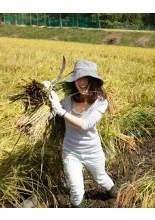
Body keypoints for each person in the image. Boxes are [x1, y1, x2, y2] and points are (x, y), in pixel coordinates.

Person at [45, 60, 117, 208]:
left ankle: (114, 193)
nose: (82, 82)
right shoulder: (66, 100)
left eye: (87, 78)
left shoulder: (101, 102)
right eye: (79, 78)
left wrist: (62, 112)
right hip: (71, 151)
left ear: (93, 81)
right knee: (77, 191)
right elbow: (50, 108)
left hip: (92, 151)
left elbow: (86, 124)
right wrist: (47, 90)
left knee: (101, 178)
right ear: (74, 81)